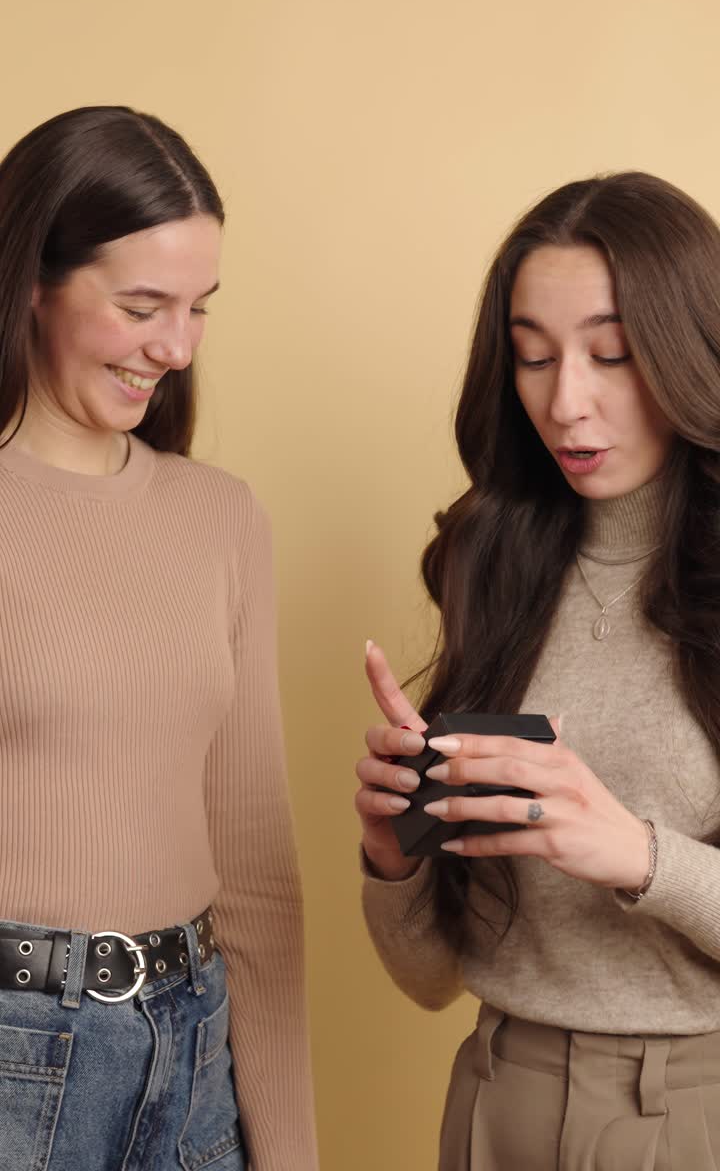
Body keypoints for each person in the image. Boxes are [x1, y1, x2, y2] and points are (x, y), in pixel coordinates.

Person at [356, 172, 720, 1170]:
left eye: (612, 354)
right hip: (494, 1089)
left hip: (692, 1109)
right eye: (532, 357)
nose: (566, 401)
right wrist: (396, 854)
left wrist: (639, 852)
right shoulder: (494, 559)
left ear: (690, 350)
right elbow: (431, 977)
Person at [0, 105, 317, 1170]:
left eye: (197, 308)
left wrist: (291, 1152)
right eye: (142, 305)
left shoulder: (219, 517)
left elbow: (261, 877)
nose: (175, 348)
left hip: (193, 1052)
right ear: (34, 281)